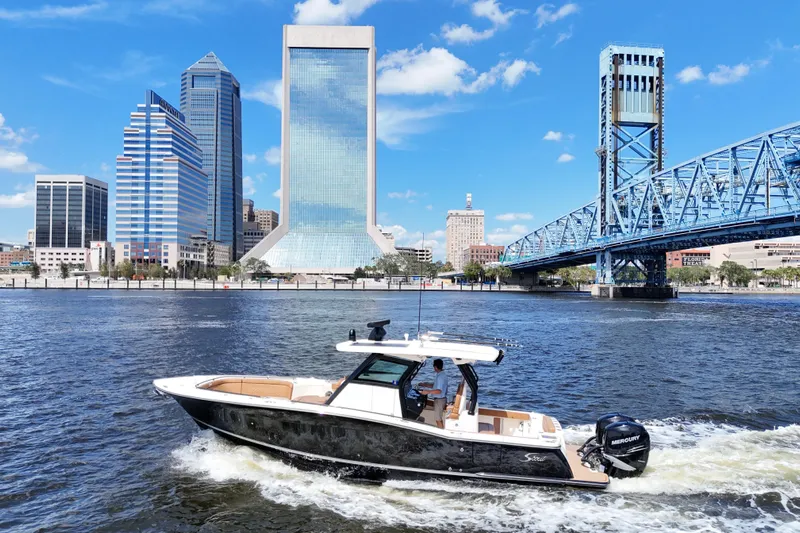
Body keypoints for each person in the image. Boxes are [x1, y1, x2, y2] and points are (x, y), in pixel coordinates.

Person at [419, 359, 448, 429]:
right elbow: (436, 386)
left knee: (438, 419)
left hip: (439, 400)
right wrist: (425, 385)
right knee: (438, 418)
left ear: (435, 367)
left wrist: (427, 392)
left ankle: (442, 434)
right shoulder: (441, 374)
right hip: (440, 399)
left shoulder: (440, 377)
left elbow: (439, 391)